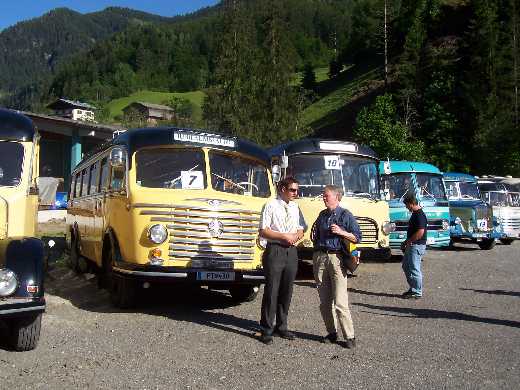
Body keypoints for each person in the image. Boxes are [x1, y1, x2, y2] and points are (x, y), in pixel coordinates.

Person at [258, 177, 306, 345]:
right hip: (275, 249)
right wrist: (283, 236)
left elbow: (302, 227)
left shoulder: (295, 206)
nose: (296, 193)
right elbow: (263, 231)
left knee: (287, 289)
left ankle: (282, 325)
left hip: (291, 250)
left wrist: (296, 236)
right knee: (272, 290)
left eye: (297, 190)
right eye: (292, 190)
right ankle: (266, 329)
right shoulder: (270, 205)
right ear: (283, 189)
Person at [311, 185, 361, 349]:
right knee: (325, 302)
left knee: (340, 301)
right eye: (323, 196)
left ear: (337, 196)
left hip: (337, 258)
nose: (324, 198)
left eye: (326, 195)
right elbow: (315, 235)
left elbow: (356, 238)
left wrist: (341, 232)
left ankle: (350, 336)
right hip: (320, 257)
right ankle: (332, 333)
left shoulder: (346, 215)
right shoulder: (322, 215)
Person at [401, 193, 427, 299]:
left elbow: (420, 232)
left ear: (411, 203)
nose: (406, 207)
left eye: (406, 205)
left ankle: (417, 291)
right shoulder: (415, 214)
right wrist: (406, 242)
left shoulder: (419, 214)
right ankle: (413, 288)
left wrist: (409, 241)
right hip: (412, 244)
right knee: (406, 266)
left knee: (414, 268)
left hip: (416, 245)